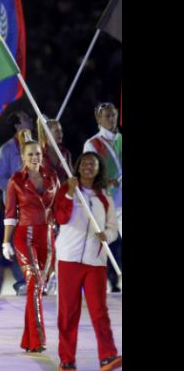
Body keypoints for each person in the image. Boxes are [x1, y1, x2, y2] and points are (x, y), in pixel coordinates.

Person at [53, 152, 122, 371]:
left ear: (99, 169)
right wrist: (70, 193)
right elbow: (60, 218)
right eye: (84, 163)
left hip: (95, 262)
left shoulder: (105, 198)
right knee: (68, 311)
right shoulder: (67, 190)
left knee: (99, 310)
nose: (88, 167)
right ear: (78, 166)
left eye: (93, 164)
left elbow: (113, 229)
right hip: (69, 259)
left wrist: (107, 237)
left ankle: (107, 356)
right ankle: (67, 360)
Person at [2, 130, 60, 353]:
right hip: (24, 237)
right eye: (30, 154)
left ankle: (28, 339)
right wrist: (6, 242)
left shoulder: (52, 177)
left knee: (39, 288)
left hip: (47, 237)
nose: (35, 157)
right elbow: (10, 214)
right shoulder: (15, 180)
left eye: (38, 153)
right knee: (34, 282)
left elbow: (57, 209)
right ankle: (37, 340)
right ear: (23, 158)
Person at [0, 110, 32, 294]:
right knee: (17, 243)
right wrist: (14, 188)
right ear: (17, 126)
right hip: (14, 205)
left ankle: (38, 277)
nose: (30, 121)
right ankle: (21, 281)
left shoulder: (37, 147)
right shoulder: (7, 149)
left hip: (35, 204)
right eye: (26, 119)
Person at [83, 102, 122, 293]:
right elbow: (88, 172)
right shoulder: (93, 143)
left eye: (114, 115)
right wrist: (106, 182)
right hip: (105, 202)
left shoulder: (121, 139)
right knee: (107, 243)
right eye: (107, 116)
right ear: (98, 119)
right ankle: (109, 281)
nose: (111, 119)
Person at [38, 117, 72, 183]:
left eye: (61, 131)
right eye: (57, 131)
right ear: (47, 133)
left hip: (64, 191)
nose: (60, 134)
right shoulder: (39, 153)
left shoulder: (66, 153)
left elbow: (71, 175)